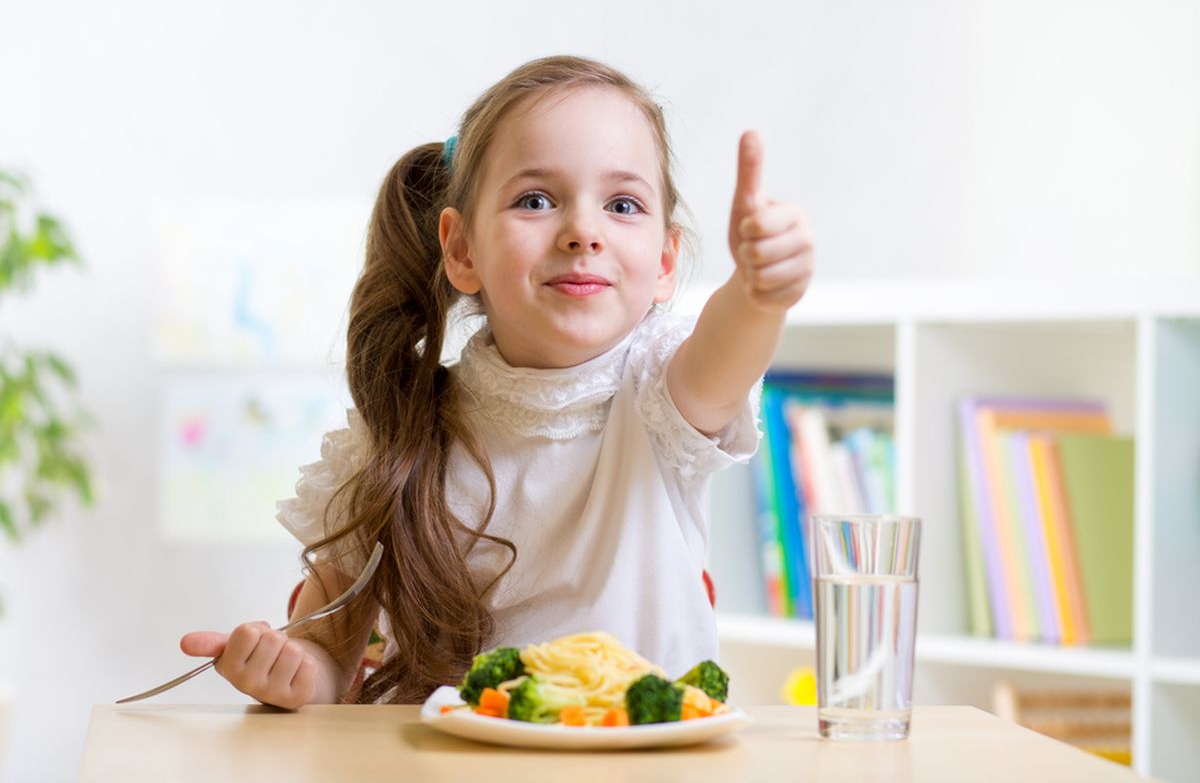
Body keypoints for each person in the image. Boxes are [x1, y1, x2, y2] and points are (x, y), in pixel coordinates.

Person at [180, 55, 814, 708]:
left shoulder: (662, 392)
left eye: (622, 204)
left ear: (664, 261)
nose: (583, 232)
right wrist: (288, 671)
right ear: (461, 249)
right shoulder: (401, 428)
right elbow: (327, 659)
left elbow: (724, 357)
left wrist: (760, 294)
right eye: (536, 200)